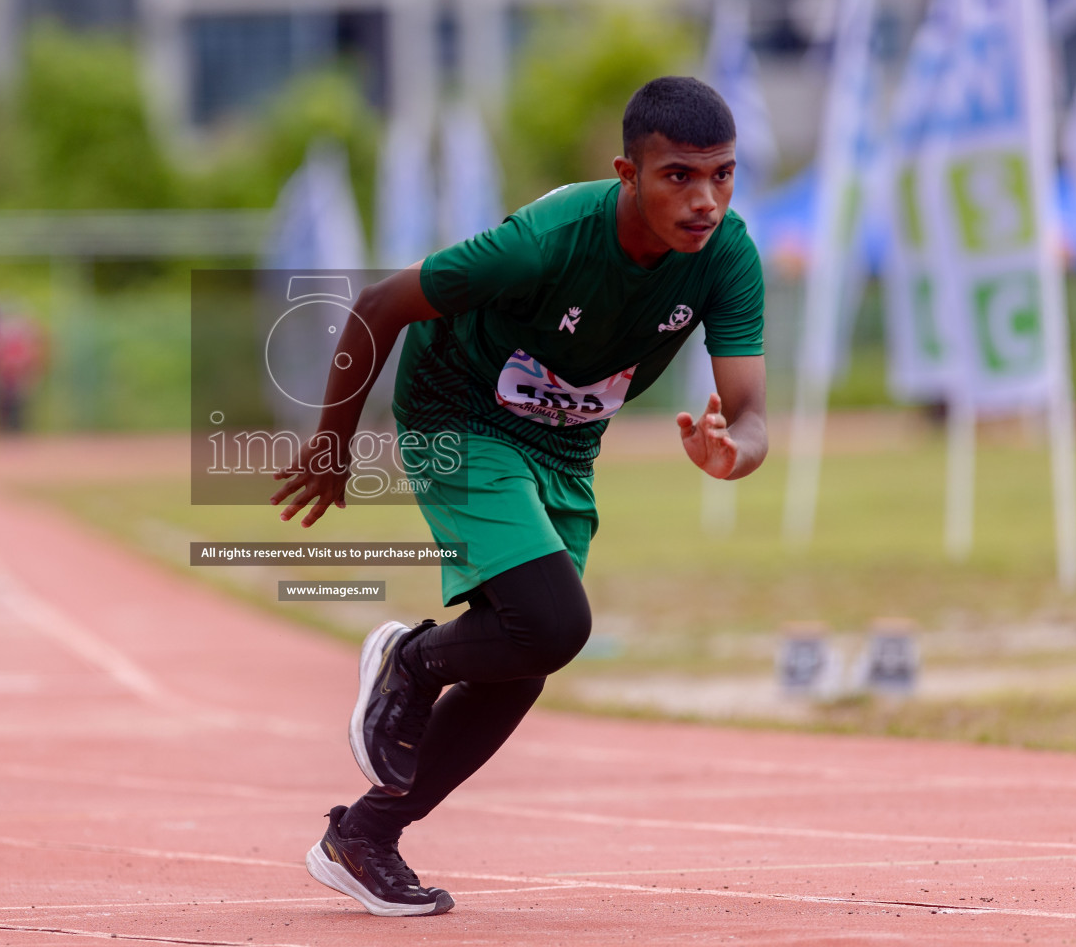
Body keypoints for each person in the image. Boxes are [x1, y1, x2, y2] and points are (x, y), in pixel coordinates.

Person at [273, 77, 768, 916]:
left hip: (565, 441)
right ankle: (409, 661)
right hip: (456, 406)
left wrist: (733, 454)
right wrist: (332, 445)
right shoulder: (546, 241)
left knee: (525, 657)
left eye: (722, 175)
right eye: (679, 176)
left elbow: (751, 413)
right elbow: (378, 304)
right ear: (627, 173)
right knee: (555, 624)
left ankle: (363, 837)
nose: (705, 200)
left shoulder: (728, 256)